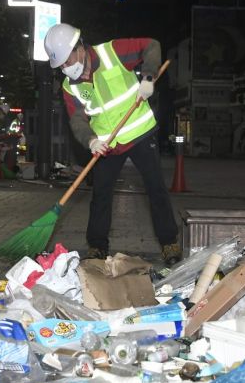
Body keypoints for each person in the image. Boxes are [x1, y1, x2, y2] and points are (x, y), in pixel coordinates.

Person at [43, 23, 181, 265]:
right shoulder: (69, 87)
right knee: (101, 194)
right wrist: (91, 140)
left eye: (66, 61)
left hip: (140, 132)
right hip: (107, 144)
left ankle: (169, 243)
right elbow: (77, 120)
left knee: (155, 188)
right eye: (61, 65)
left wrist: (148, 78)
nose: (65, 68)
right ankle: (97, 247)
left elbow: (152, 45)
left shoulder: (111, 52)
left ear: (80, 48)